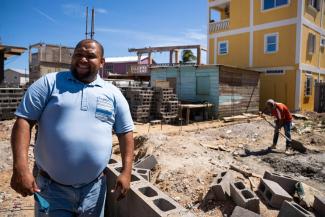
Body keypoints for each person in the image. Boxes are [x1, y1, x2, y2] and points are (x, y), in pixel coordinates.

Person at [10, 39, 134, 217]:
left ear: (101, 62)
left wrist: (126, 171)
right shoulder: (49, 83)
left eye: (90, 56)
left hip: (94, 191)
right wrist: (20, 167)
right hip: (51, 190)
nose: (83, 59)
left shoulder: (113, 93)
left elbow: (125, 132)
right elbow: (24, 121)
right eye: (79, 54)